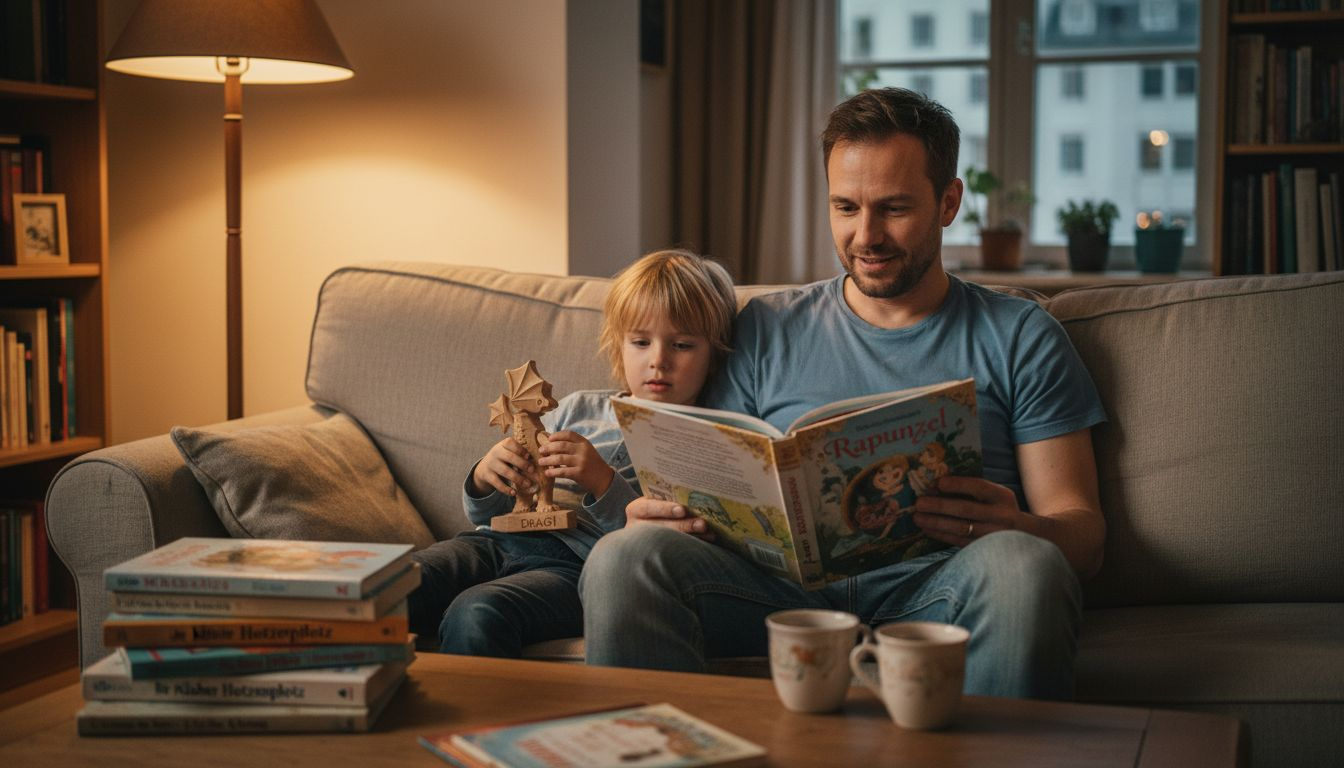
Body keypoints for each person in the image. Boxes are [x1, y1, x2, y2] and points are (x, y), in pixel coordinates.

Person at [579, 88, 1107, 700]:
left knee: (1026, 567)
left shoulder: (1020, 335)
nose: (866, 235)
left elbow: (1084, 538)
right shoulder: (763, 327)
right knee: (625, 556)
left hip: (943, 582)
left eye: (894, 209)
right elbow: (713, 475)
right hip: (777, 591)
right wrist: (658, 514)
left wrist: (1016, 525)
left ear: (948, 202)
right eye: (845, 206)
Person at [407, 249, 737, 657]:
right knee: (397, 584)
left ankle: (478, 722)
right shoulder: (578, 408)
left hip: (575, 568)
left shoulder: (698, 442)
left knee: (476, 613)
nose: (658, 361)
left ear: (714, 354)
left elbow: (662, 550)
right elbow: (483, 515)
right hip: (493, 542)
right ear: (619, 345)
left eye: (682, 344)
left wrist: (602, 481)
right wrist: (485, 476)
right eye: (640, 341)